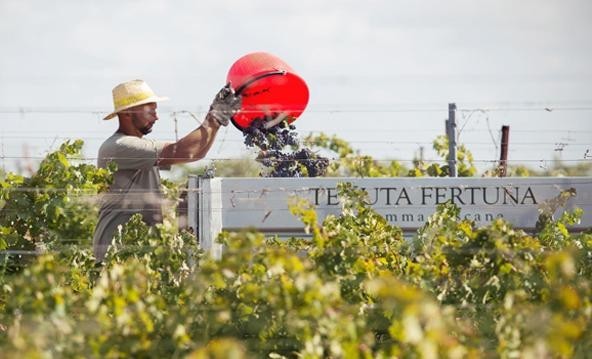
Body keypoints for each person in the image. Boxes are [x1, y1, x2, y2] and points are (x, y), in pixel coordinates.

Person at [92, 79, 240, 262]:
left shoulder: (136, 147)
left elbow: (194, 152)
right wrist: (214, 117)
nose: (156, 117)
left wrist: (216, 120)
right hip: (118, 252)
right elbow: (187, 151)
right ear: (128, 113)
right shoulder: (119, 147)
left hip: (135, 250)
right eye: (150, 111)